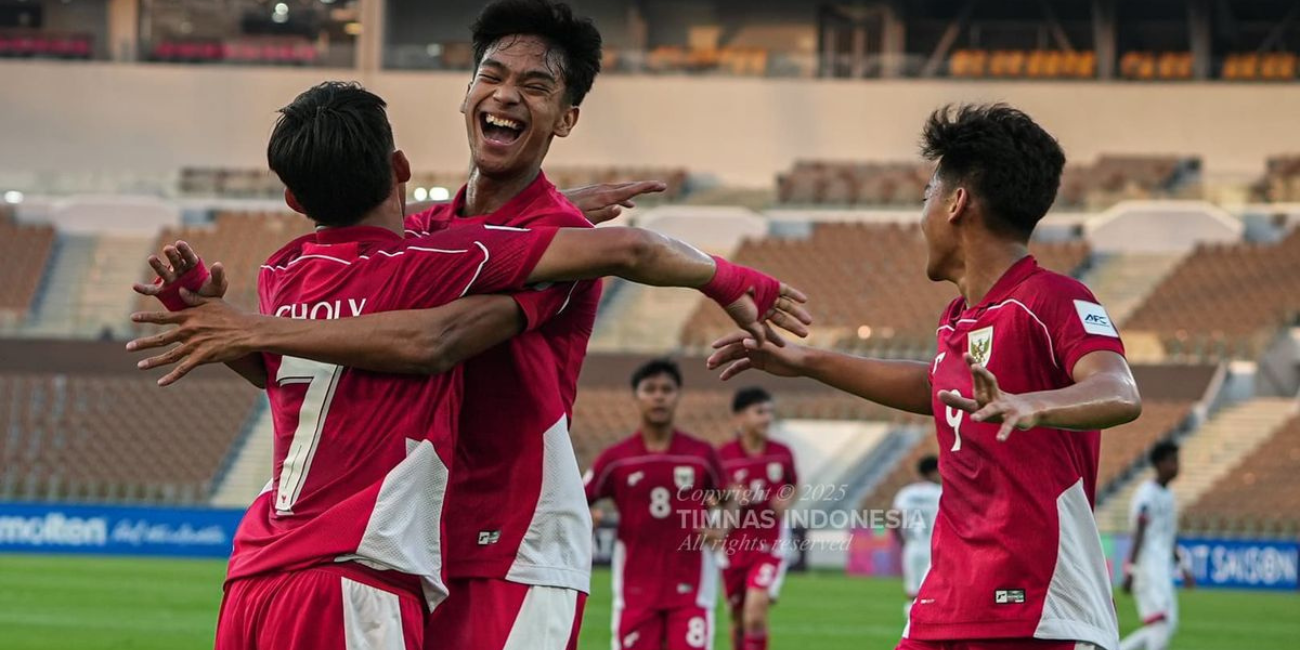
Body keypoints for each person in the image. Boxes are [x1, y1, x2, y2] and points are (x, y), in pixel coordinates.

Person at [133, 82, 811, 650]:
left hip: (253, 579)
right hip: (352, 576)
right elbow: (630, 251)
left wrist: (214, 316)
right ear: (399, 168)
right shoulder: (433, 268)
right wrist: (731, 281)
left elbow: (287, 366)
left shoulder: (284, 274)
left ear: (292, 202)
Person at [708, 103, 1143, 650]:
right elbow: (933, 389)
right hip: (947, 598)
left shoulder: (1052, 298)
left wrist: (1034, 405)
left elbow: (1119, 389)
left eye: (926, 198)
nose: (922, 218)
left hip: (1035, 607)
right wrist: (805, 362)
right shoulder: (957, 319)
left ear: (957, 203)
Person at [584, 359, 728, 650]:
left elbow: (729, 500)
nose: (659, 396)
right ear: (636, 397)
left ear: (678, 396)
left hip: (692, 583)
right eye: (650, 389)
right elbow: (577, 500)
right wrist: (588, 515)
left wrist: (722, 527)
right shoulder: (616, 459)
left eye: (667, 389)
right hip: (635, 587)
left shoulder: (701, 454)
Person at [716, 387, 797, 650]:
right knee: (739, 619)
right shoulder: (723, 457)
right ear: (739, 418)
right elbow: (707, 497)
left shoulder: (781, 452)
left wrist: (786, 498)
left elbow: (793, 485)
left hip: (769, 542)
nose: (767, 418)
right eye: (760, 412)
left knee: (755, 612)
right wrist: (727, 495)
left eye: (770, 412)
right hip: (732, 546)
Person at [1119, 442, 1194, 650]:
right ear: (1159, 464)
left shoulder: (1168, 495)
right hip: (1147, 566)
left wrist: (1184, 567)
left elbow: (1169, 537)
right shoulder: (1146, 494)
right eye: (1172, 461)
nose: (1176, 466)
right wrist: (1131, 569)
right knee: (1160, 623)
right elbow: (1139, 532)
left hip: (1161, 567)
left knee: (1168, 624)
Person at [891, 455, 942, 619]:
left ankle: (910, 631)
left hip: (912, 547)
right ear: (934, 471)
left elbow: (894, 520)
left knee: (912, 593)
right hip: (934, 548)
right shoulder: (939, 492)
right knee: (935, 593)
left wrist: (902, 541)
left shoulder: (905, 493)